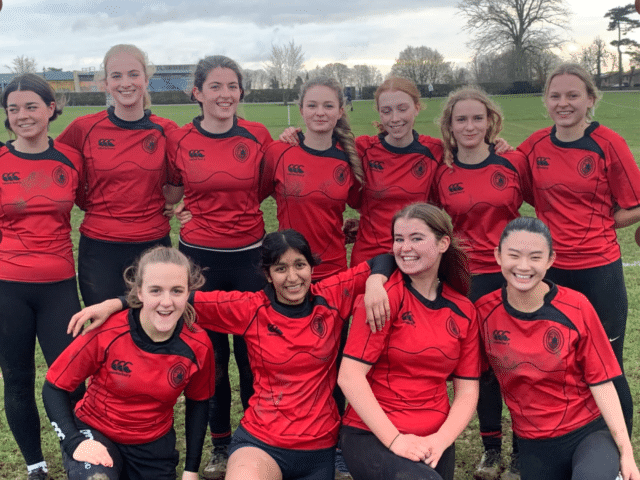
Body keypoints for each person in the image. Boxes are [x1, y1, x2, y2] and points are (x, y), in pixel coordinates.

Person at [68, 229, 394, 480]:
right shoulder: (249, 308)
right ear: (267, 274)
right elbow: (174, 298)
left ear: (312, 268)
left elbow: (386, 258)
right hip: (261, 442)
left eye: (300, 265)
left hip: (319, 447)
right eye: (281, 268)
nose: (293, 277)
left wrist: (376, 281)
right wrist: (115, 303)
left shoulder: (333, 295)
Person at [518, 63, 640, 435]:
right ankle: (571, 437)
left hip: (599, 269)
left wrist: (603, 223)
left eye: (573, 95)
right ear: (546, 101)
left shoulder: (608, 143)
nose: (564, 103)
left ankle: (621, 449)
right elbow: (510, 182)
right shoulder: (534, 145)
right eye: (556, 96)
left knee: (608, 362)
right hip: (550, 271)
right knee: (556, 359)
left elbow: (634, 203)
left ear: (590, 99)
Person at [167, 54, 273, 479]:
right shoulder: (179, 139)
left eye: (232, 86)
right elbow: (170, 190)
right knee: (208, 356)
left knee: (253, 357)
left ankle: (253, 438)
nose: (225, 94)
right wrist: (178, 209)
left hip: (250, 257)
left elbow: (266, 187)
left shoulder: (258, 135)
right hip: (199, 261)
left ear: (240, 92)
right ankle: (220, 445)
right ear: (198, 92)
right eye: (215, 86)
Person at [475, 217, 640, 480]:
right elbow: (468, 380)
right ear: (498, 256)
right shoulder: (483, 313)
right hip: (534, 445)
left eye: (535, 257)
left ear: (551, 260)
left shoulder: (576, 306)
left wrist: (626, 451)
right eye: (514, 255)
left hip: (589, 433)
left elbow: (604, 383)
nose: (523, 266)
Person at [43, 246, 215, 480]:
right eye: (155, 291)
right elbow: (54, 386)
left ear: (188, 293)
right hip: (97, 431)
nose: (166, 302)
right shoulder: (107, 331)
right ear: (140, 292)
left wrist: (191, 469)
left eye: (177, 291)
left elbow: (199, 403)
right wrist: (75, 442)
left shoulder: (198, 344)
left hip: (153, 444)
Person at [338, 203, 480, 480]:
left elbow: (467, 393)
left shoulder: (463, 310)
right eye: (398, 239)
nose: (404, 248)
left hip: (434, 441)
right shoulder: (383, 298)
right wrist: (396, 441)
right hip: (373, 436)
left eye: (416, 238)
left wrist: (440, 440)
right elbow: (349, 377)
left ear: (443, 243)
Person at [432, 86, 531, 480]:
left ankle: (523, 450)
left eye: (477, 117)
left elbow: (549, 206)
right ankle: (491, 450)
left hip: (511, 279)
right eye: (461, 119)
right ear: (450, 126)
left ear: (490, 121)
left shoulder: (513, 162)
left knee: (518, 363)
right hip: (465, 281)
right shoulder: (443, 171)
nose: (470, 125)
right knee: (480, 368)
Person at [0, 73, 85, 480]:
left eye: (31, 106)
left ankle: (79, 452)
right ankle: (35, 465)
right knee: (17, 377)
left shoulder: (70, 159)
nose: (22, 115)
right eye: (13, 109)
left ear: (51, 108)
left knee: (69, 374)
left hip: (59, 288)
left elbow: (99, 203)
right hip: (7, 289)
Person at [55, 44, 180, 307]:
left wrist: (183, 202)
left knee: (154, 329)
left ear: (146, 80)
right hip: (100, 249)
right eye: (116, 76)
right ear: (105, 83)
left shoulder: (167, 131)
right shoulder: (84, 128)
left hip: (154, 245)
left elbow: (192, 175)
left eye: (133, 74)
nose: (126, 83)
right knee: (106, 332)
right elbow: (49, 161)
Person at [260, 75, 363, 282]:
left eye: (328, 106)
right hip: (290, 271)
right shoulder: (278, 151)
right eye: (312, 105)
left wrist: (358, 226)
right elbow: (250, 198)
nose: (320, 113)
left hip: (333, 269)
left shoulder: (350, 157)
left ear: (340, 111)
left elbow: (364, 205)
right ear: (302, 110)